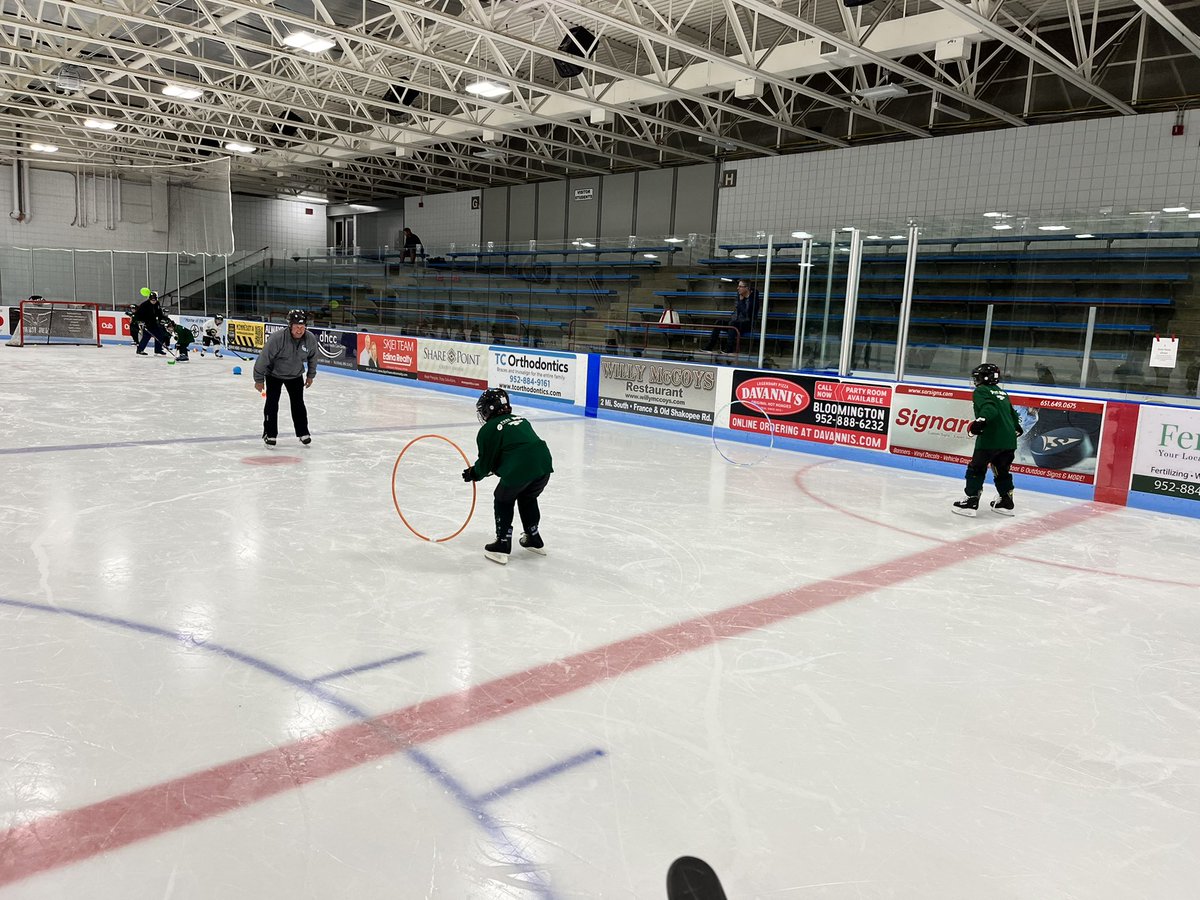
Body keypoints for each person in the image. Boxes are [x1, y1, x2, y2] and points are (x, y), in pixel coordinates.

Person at [460, 388, 554, 565]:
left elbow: (486, 464)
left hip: (521, 469)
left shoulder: (488, 430)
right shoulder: (521, 420)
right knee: (527, 497)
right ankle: (533, 536)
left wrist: (474, 473)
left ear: (489, 409)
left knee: (502, 498)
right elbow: (514, 452)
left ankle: (502, 543)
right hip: (543, 466)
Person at [952, 362, 1023, 518]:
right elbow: (1013, 415)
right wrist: (1016, 427)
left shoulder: (981, 391)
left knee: (976, 468)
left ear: (984, 378)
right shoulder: (1002, 393)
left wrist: (981, 420)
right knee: (1002, 470)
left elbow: (990, 408)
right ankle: (1005, 502)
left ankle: (971, 500)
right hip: (1009, 440)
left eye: (976, 378)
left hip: (991, 439)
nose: (975, 381)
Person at [253, 310, 318, 447]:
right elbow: (263, 359)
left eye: (302, 327)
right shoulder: (277, 338)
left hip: (295, 375)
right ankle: (269, 434)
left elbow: (313, 357)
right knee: (272, 403)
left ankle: (303, 433)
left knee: (298, 404)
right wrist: (259, 379)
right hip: (274, 375)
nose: (299, 330)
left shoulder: (310, 338)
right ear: (290, 326)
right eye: (296, 327)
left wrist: (310, 375)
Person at [703, 279, 758, 354]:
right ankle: (709, 347)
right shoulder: (739, 295)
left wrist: (741, 302)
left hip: (747, 323)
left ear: (747, 288)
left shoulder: (753, 299)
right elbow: (737, 309)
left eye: (740, 286)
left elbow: (747, 314)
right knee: (719, 322)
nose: (737, 288)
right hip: (736, 321)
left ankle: (729, 350)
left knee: (732, 324)